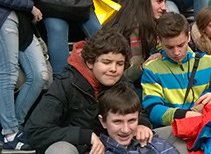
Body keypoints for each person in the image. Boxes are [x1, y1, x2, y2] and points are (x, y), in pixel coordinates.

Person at [25, 29, 153, 154]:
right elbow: (35, 131)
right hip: (80, 147)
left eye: (119, 64)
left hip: (115, 146)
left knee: (172, 131)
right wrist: (84, 136)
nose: (114, 69)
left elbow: (140, 112)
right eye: (107, 62)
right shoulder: (67, 84)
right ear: (90, 62)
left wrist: (142, 124)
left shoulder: (121, 81)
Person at [141, 12, 211, 129]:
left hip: (205, 127)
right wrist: (185, 115)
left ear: (188, 36)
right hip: (174, 130)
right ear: (159, 41)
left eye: (181, 45)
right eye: (170, 47)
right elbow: (153, 110)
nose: (176, 52)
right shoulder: (152, 69)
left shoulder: (208, 62)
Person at [0, 0, 49, 152]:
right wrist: (29, 6)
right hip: (6, 19)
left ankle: (12, 126)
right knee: (8, 75)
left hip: (25, 27)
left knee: (40, 76)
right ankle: (10, 132)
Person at [103, 0, 167, 84]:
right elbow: (117, 76)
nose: (164, 8)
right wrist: (143, 66)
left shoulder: (154, 26)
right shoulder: (128, 30)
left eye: (165, 2)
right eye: (159, 2)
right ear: (144, 1)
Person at [97, 83, 179, 154]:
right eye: (118, 122)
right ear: (103, 121)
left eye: (131, 120)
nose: (125, 130)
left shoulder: (158, 146)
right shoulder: (95, 151)